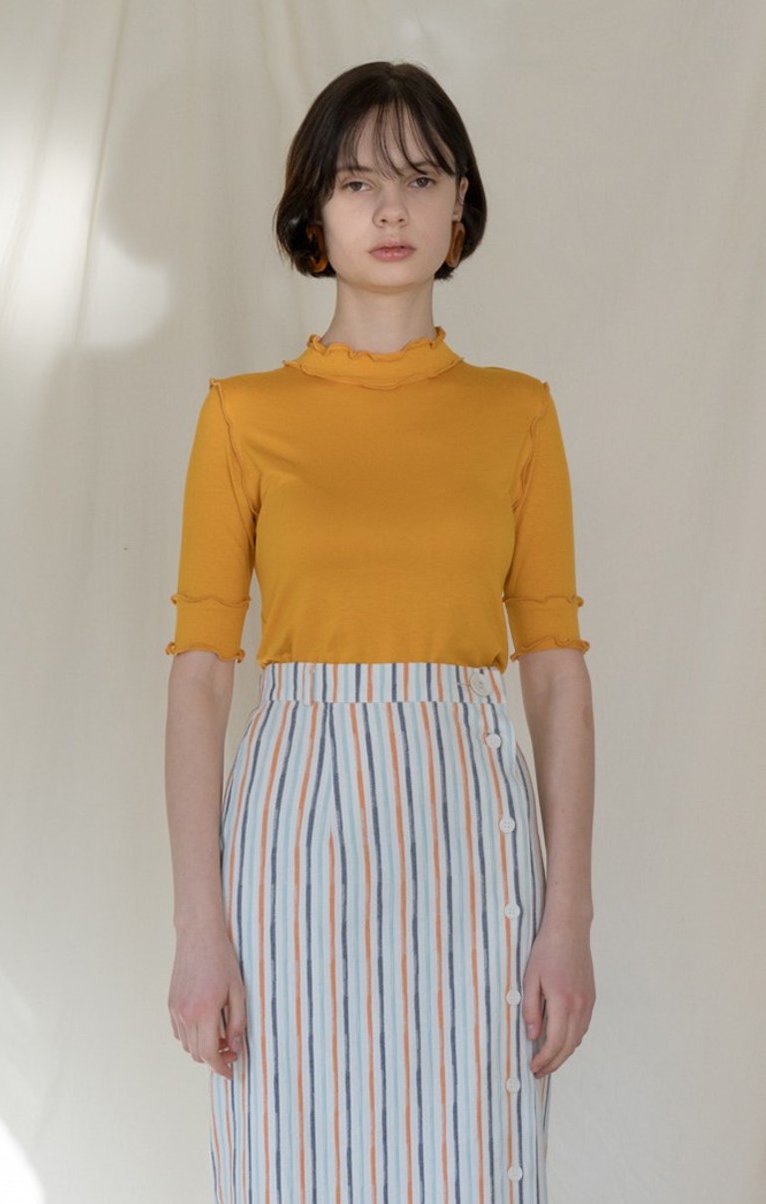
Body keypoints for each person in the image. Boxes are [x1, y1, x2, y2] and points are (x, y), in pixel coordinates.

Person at [164, 60, 595, 1204]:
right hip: (294, 829)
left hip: (469, 826)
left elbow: (553, 676)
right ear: (313, 215)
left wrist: (566, 915)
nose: (390, 208)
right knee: (293, 1159)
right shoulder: (242, 416)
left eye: (419, 178)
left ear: (461, 208)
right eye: (357, 182)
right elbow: (200, 679)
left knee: (471, 1162)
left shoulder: (515, 414)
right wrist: (199, 926)